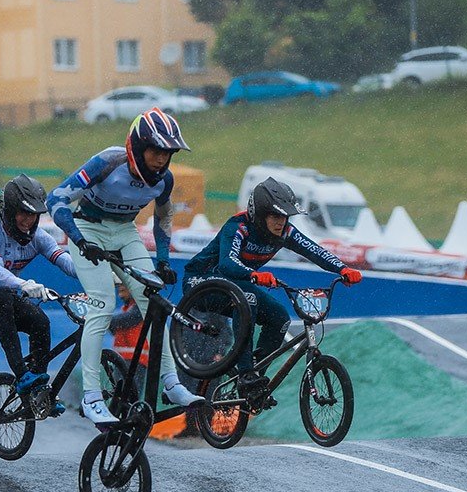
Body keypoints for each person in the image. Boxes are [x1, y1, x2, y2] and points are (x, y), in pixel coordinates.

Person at [47, 107, 202, 427]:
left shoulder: (165, 180)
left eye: (168, 153)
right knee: (103, 304)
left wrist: (162, 259)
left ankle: (172, 384)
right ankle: (92, 397)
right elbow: (56, 198)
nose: (162, 159)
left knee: (154, 302)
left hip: (125, 233)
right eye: (155, 150)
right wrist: (77, 238)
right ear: (137, 146)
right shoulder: (107, 163)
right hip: (87, 229)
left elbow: (163, 219)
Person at [183, 177, 362, 401]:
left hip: (238, 285)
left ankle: (255, 376)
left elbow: (314, 251)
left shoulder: (285, 232)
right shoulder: (237, 227)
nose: (282, 222)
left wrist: (342, 268)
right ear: (260, 214)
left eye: (285, 216)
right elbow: (227, 264)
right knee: (247, 299)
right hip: (200, 282)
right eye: (276, 216)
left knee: (279, 318)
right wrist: (253, 274)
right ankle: (246, 372)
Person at [0, 175, 77, 405]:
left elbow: (64, 261)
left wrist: (99, 275)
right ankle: (22, 375)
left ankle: (38, 386)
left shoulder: (37, 237)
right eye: (24, 214)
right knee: (2, 298)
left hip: (1, 301)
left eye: (34, 215)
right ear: (9, 212)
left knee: (40, 321)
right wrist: (24, 285)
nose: (29, 221)